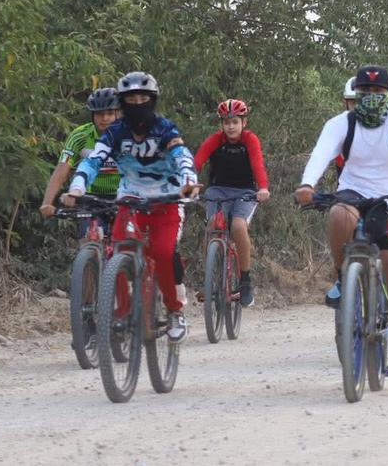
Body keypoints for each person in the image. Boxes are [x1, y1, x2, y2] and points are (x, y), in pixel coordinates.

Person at [295, 65, 388, 377]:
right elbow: (321, 154)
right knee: (339, 214)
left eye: (377, 92)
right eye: (365, 92)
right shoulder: (340, 124)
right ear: (356, 95)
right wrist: (307, 184)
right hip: (354, 191)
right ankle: (343, 278)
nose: (371, 97)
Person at [63, 71, 200, 343]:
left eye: (143, 98)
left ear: (153, 100)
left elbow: (181, 156)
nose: (137, 104)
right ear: (123, 102)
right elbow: (94, 160)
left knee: (162, 252)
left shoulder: (165, 128)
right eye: (131, 99)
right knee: (117, 252)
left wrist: (190, 181)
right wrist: (77, 186)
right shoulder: (115, 132)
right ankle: (121, 314)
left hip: (168, 199)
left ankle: (175, 311)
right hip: (130, 200)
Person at [194, 99, 271, 307]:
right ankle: (210, 278)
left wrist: (262, 188)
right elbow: (197, 161)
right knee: (212, 226)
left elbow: (258, 164)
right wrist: (190, 182)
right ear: (221, 124)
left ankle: (245, 282)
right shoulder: (215, 140)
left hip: (245, 192)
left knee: (238, 225)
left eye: (235, 121)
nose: (230, 126)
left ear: (243, 122)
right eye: (226, 122)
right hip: (218, 190)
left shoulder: (250, 140)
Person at [40, 88, 122, 222]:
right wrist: (47, 203)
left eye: (110, 113)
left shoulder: (128, 136)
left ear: (118, 114)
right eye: (99, 114)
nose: (105, 118)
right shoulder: (80, 135)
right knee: (88, 236)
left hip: (122, 195)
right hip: (89, 196)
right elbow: (62, 169)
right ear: (92, 115)